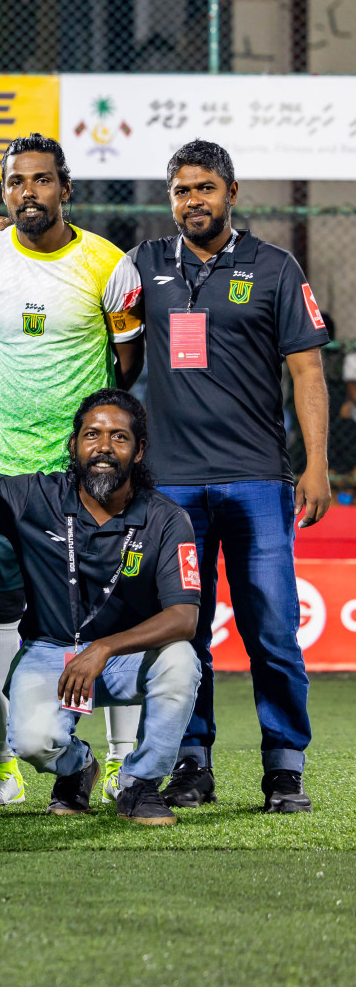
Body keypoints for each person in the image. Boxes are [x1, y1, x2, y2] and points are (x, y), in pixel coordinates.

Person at [127, 141, 326, 812]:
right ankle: (192, 761)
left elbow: (307, 371)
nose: (194, 201)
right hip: (170, 486)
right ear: (171, 199)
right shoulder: (144, 264)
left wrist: (317, 464)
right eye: (182, 190)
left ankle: (285, 766)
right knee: (184, 628)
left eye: (206, 188)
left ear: (231, 192)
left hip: (258, 479)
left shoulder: (275, 267)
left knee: (272, 629)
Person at [0, 133, 143, 807]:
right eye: (16, 182)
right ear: (3, 192)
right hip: (2, 472)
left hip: (81, 478)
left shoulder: (109, 264)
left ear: (66, 188)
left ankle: (123, 762)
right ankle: (5, 763)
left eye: (41, 180)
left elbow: (128, 367)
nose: (28, 193)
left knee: (110, 612)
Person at [0, 389, 202, 824]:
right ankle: (79, 766)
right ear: (74, 445)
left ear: (138, 450)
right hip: (50, 649)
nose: (104, 446)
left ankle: (139, 784)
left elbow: (184, 617)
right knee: (30, 741)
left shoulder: (167, 519)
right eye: (92, 435)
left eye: (119, 437)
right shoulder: (35, 496)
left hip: (126, 658)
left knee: (181, 661)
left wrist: (103, 648)